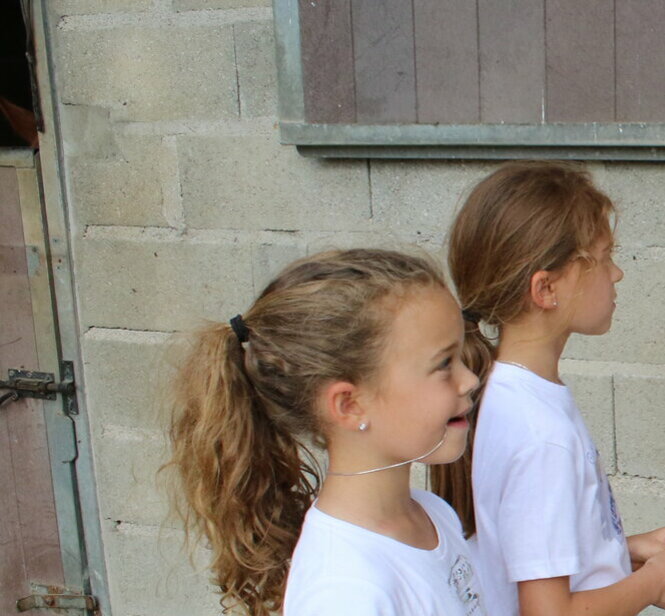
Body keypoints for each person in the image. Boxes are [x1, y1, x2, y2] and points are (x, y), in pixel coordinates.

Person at [435, 161, 665, 616]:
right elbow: (549, 612)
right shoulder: (541, 434)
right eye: (604, 257)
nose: (617, 274)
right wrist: (654, 582)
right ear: (546, 288)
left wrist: (623, 551)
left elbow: (525, 558)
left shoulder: (509, 392)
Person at [167, 249, 488, 615]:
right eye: (444, 363)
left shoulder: (433, 514)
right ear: (350, 405)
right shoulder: (345, 592)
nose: (469, 379)